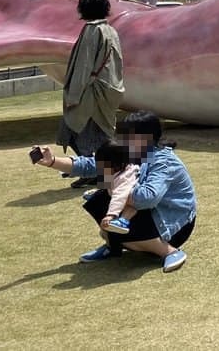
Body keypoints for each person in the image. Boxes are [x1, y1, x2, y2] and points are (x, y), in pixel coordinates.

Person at [32, 110, 196, 273]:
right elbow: (92, 165)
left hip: (172, 224)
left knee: (112, 197)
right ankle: (113, 246)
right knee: (98, 200)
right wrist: (52, 161)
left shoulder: (164, 161)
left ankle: (170, 251)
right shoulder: (129, 152)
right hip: (146, 213)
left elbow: (147, 198)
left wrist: (115, 192)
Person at [55, 0, 124, 187]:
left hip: (90, 93)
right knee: (100, 134)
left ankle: (93, 171)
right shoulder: (111, 30)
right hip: (107, 91)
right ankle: (99, 171)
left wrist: (73, 95)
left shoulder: (92, 30)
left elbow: (83, 66)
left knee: (72, 129)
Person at [89, 140, 141, 235]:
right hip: (121, 196)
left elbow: (119, 195)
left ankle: (123, 221)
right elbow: (110, 185)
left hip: (134, 199)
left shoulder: (125, 176)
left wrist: (111, 215)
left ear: (116, 164)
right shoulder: (115, 171)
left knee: (130, 206)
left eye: (103, 166)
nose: (101, 169)